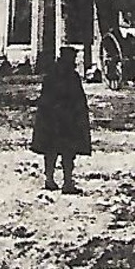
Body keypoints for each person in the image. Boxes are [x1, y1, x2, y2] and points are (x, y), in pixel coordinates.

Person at [32, 46, 92, 193]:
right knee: (68, 152)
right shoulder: (72, 77)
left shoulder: (51, 75)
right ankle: (67, 182)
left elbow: (44, 99)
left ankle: (50, 179)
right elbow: (79, 100)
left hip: (52, 119)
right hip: (67, 121)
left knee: (50, 150)